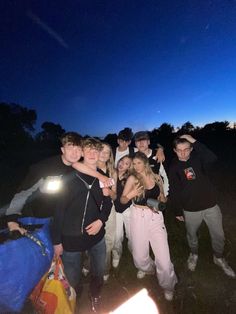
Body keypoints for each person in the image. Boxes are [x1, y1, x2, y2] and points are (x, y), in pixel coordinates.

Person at [5, 132, 110, 234]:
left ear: (82, 152)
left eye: (78, 149)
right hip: (40, 219)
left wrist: (102, 177)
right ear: (62, 150)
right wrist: (12, 219)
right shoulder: (44, 167)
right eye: (70, 148)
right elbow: (23, 192)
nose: (74, 153)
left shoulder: (79, 168)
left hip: (64, 221)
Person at [52, 137, 112, 313]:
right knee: (72, 278)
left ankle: (95, 296)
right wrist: (57, 241)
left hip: (97, 237)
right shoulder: (70, 176)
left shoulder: (104, 178)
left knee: (98, 273)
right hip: (71, 239)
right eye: (89, 150)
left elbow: (107, 204)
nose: (93, 154)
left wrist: (101, 220)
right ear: (82, 153)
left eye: (96, 150)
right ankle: (74, 301)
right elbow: (59, 211)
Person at [168, 134, 235, 278]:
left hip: (211, 205)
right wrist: (177, 210)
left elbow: (212, 158)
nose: (183, 153)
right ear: (174, 150)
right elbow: (174, 190)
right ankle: (194, 254)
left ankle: (218, 257)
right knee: (192, 235)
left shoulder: (198, 159)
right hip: (190, 209)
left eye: (186, 149)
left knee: (219, 235)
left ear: (191, 149)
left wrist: (193, 140)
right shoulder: (174, 167)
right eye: (179, 150)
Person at [121, 152, 177, 301]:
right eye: (133, 164)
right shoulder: (132, 178)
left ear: (145, 163)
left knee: (164, 260)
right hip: (138, 216)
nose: (136, 166)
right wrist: (131, 194)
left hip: (156, 218)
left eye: (138, 163)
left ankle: (168, 285)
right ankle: (149, 269)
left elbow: (162, 198)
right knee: (139, 258)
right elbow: (122, 199)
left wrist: (161, 192)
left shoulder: (156, 177)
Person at [97, 142, 117, 281]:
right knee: (91, 239)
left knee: (109, 240)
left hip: (109, 208)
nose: (104, 154)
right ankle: (88, 263)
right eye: (101, 150)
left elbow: (115, 196)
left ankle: (105, 268)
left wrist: (108, 190)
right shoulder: (89, 167)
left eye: (107, 152)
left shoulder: (112, 171)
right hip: (93, 208)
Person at [112, 154, 133, 268]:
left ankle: (134, 253)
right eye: (121, 161)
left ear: (129, 167)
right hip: (115, 209)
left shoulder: (130, 177)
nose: (122, 164)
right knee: (117, 236)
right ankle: (116, 254)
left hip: (128, 209)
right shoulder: (112, 173)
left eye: (126, 163)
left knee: (131, 234)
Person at [134, 131, 169, 197]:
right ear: (135, 144)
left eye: (144, 140)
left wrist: (165, 192)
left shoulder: (158, 155)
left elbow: (165, 175)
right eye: (138, 141)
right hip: (140, 194)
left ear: (148, 142)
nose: (141, 143)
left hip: (157, 193)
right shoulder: (133, 157)